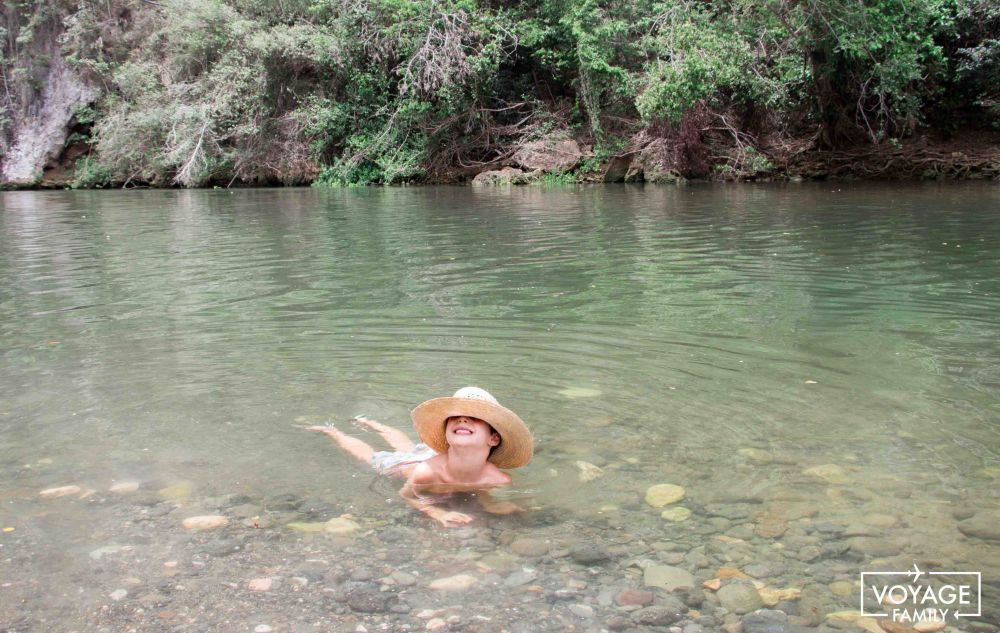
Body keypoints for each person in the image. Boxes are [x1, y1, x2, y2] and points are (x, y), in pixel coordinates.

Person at [308, 387, 533, 527]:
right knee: (373, 457)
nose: (463, 420)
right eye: (456, 416)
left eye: (474, 417)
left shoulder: (499, 480)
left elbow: (483, 492)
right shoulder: (427, 473)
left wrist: (490, 504)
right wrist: (437, 513)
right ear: (446, 431)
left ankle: (371, 423)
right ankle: (335, 432)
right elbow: (408, 495)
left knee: (405, 445)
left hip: (432, 455)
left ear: (494, 439)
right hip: (410, 465)